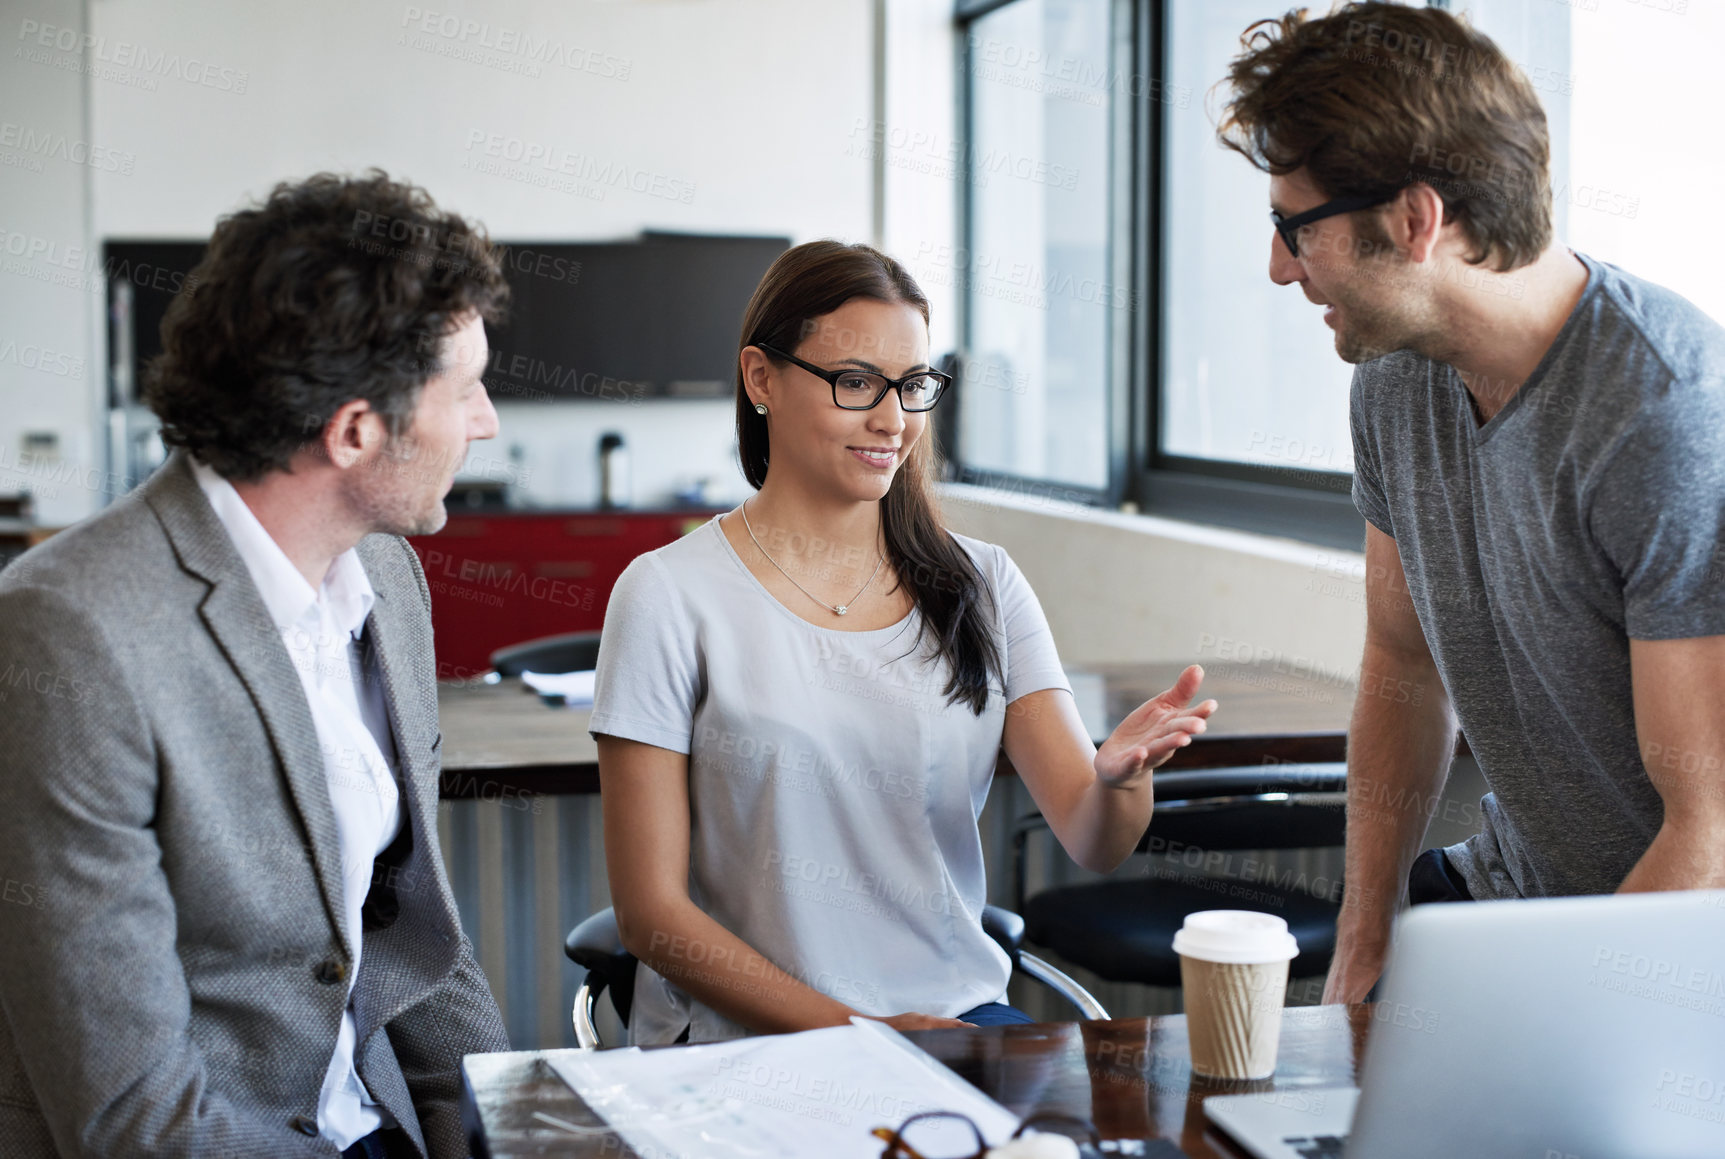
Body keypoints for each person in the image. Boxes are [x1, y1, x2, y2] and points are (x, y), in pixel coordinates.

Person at [1214, 2, 1725, 1005]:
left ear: (1414, 220)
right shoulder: (1395, 381)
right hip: (1508, 908)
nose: (1278, 267)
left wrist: (1569, 1039)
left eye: (1293, 228)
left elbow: (1708, 830)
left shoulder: (1664, 415)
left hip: (1676, 956)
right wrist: (1365, 937)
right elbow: (1402, 661)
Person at [0, 171, 511, 1157]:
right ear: (357, 429)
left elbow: (413, 932)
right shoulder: (69, 633)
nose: (485, 422)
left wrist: (505, 1131)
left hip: (367, 1122)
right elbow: (132, 1119)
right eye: (466, 390)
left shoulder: (388, 579)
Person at [591, 240, 1219, 1043]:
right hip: (747, 1039)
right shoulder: (668, 593)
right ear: (761, 379)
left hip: (951, 1017)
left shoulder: (982, 585)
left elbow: (1094, 838)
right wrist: (865, 1031)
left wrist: (1122, 779)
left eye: (913, 385)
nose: (893, 419)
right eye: (854, 382)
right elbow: (651, 917)